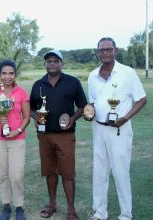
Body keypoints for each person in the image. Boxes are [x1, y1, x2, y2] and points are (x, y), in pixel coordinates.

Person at [86, 37, 147, 220]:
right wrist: (89, 113)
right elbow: (93, 103)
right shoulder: (93, 75)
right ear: (98, 52)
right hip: (99, 129)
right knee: (99, 171)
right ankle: (100, 212)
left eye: (108, 49)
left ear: (115, 51)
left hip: (120, 130)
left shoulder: (127, 73)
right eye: (101, 50)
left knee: (120, 171)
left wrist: (125, 117)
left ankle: (126, 214)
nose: (105, 53)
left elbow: (141, 99)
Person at [29, 50, 87, 220]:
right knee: (49, 172)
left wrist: (73, 118)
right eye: (49, 61)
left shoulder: (73, 82)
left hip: (65, 135)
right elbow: (31, 108)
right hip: (44, 136)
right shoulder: (38, 85)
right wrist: (36, 118)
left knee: (68, 173)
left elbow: (82, 107)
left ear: (62, 63)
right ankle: (52, 204)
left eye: (55, 60)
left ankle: (71, 209)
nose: (52, 63)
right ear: (45, 64)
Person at [0, 59, 30, 220]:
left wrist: (17, 130)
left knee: (16, 175)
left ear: (15, 74)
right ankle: (6, 206)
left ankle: (19, 207)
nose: (7, 76)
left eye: (11, 73)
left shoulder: (22, 92)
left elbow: (27, 117)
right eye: (4, 73)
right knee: (2, 175)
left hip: (17, 139)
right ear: (0, 74)